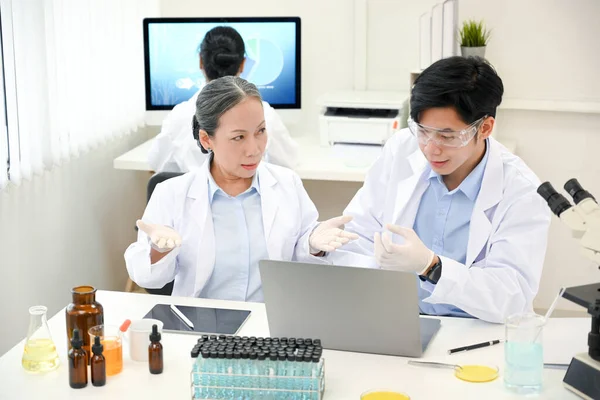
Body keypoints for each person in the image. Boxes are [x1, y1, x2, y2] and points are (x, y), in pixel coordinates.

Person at [323, 56, 551, 323]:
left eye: (447, 136)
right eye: (423, 131)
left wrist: (432, 267)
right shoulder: (401, 150)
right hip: (399, 319)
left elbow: (512, 297)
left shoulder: (522, 191)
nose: (431, 148)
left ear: (485, 127)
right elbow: (360, 232)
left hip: (476, 329)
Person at [126, 76, 357, 300]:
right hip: (204, 324)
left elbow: (300, 256)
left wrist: (313, 244)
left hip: (269, 322)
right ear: (206, 139)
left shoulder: (287, 183)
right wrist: (159, 250)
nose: (254, 149)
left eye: (261, 131)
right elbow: (149, 279)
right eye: (238, 137)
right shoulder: (171, 194)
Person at [148, 26, 298, 172]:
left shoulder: (179, 116)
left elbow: (157, 164)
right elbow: (288, 164)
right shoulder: (265, 116)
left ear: (201, 61)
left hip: (195, 196)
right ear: (243, 64)